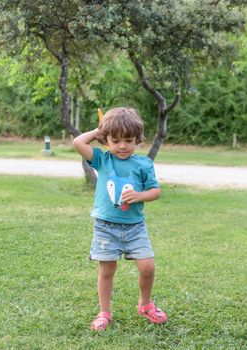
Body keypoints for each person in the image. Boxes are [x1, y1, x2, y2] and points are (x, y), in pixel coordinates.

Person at [73, 107, 167, 331]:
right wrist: (99, 131)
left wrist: (139, 196)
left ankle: (145, 304)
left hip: (135, 228)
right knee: (107, 270)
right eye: (115, 140)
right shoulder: (102, 160)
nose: (122, 146)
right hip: (106, 227)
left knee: (147, 267)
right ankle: (104, 312)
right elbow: (78, 143)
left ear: (137, 139)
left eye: (128, 140)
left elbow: (155, 191)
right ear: (107, 140)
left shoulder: (144, 164)